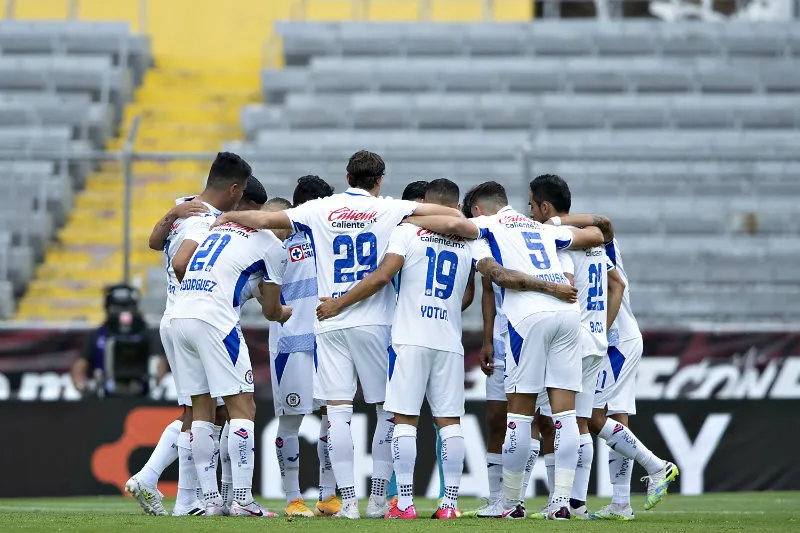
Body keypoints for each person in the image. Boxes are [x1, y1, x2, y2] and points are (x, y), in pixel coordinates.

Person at [208, 150, 467, 519]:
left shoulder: (321, 208)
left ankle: (346, 503)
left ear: (347, 177)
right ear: (379, 180)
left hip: (329, 318)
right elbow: (450, 217)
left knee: (338, 414)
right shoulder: (389, 208)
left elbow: (265, 218)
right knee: (386, 412)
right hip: (377, 321)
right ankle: (377, 499)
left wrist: (227, 216)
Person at [316, 179, 577, 519]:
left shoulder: (406, 231)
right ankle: (450, 504)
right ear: (456, 207)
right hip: (449, 339)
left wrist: (339, 303)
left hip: (409, 337)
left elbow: (383, 276)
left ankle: (405, 504)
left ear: (425, 203)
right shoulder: (472, 241)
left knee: (404, 421)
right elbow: (477, 287)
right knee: (450, 423)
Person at [403, 181, 604, 520]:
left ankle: (510, 503)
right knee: (565, 415)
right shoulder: (541, 227)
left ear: (477, 210)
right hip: (569, 316)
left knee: (520, 415)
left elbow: (493, 270)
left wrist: (406, 218)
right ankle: (560, 503)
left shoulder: (485, 226)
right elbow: (597, 234)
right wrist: (558, 224)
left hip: (529, 318)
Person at [126, 152, 251, 517]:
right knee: (207, 412)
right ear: (233, 189)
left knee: (200, 411)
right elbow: (182, 261)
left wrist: (171, 215)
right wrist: (199, 296)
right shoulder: (206, 221)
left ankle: (171, 491)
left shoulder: (184, 206)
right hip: (194, 318)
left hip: (175, 318)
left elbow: (154, 242)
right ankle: (178, 494)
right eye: (241, 192)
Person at [545, 211, 679, 519]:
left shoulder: (596, 241)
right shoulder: (585, 243)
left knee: (592, 418)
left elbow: (605, 232)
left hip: (615, 341)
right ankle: (620, 503)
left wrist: (557, 222)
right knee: (614, 417)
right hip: (615, 339)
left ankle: (656, 466)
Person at [170, 184, 291, 517]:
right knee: (243, 407)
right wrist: (286, 312)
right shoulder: (273, 246)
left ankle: (210, 500)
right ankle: (242, 500)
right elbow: (271, 311)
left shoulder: (222, 228)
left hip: (181, 313)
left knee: (201, 410)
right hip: (215, 321)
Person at [527, 174, 626, 519]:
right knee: (581, 422)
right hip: (595, 339)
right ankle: (576, 503)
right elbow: (617, 285)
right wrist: (602, 328)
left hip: (571, 340)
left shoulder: (561, 240)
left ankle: (555, 501)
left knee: (557, 419)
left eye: (531, 205)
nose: (530, 212)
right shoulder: (594, 238)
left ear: (545, 207)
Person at [263, 176, 339, 518]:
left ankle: (328, 495)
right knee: (291, 421)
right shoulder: (279, 243)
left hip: (329, 340)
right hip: (291, 344)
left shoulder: (334, 240)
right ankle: (293, 498)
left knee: (332, 417)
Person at [71, 284, 156, 398]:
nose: (122, 312)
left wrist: (155, 385)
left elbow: (158, 362)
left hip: (142, 394)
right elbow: (80, 366)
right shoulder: (96, 335)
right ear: (108, 308)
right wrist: (83, 385)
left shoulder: (147, 334)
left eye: (127, 307)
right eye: (117, 307)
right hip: (104, 396)